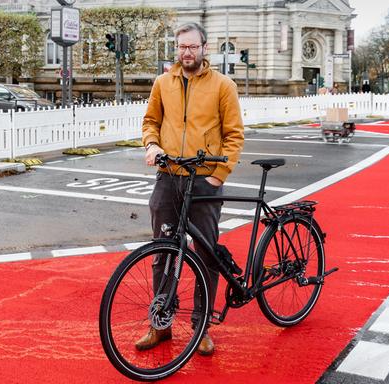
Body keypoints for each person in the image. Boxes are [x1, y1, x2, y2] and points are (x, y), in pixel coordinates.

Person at [138, 22, 244, 356]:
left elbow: (234, 134)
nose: (187, 53)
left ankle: (202, 327)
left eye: (193, 47)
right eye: (182, 47)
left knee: (206, 255)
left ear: (204, 48)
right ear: (177, 48)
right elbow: (150, 122)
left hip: (204, 181)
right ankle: (161, 323)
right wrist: (152, 145)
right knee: (163, 252)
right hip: (168, 177)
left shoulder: (222, 85)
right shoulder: (162, 83)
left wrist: (218, 175)